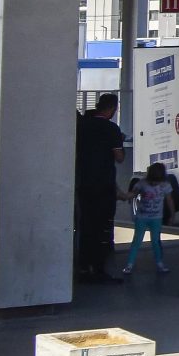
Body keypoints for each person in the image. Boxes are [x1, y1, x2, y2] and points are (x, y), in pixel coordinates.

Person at [73, 95, 129, 283]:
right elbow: (119, 157)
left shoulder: (82, 127)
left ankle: (83, 267)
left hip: (84, 182)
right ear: (112, 108)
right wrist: (120, 142)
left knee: (85, 225)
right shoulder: (111, 129)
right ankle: (98, 268)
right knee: (102, 226)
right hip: (103, 183)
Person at [124, 163, 175, 276]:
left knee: (153, 241)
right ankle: (131, 264)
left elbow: (169, 200)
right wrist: (125, 196)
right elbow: (133, 193)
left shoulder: (163, 185)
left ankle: (157, 263)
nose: (154, 184)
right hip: (145, 217)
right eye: (153, 181)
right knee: (142, 241)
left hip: (151, 217)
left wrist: (172, 214)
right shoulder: (143, 183)